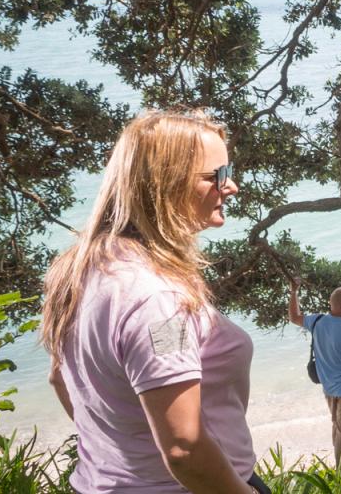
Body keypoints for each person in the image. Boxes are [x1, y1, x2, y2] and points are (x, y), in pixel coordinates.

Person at [41, 108, 268, 493]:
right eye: (218, 176)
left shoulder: (83, 269)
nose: (231, 188)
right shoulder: (159, 301)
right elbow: (184, 448)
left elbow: (60, 378)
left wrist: (125, 451)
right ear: (167, 182)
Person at [288, 285, 341, 469]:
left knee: (337, 427)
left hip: (329, 386)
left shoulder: (317, 321)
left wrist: (293, 292)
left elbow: (294, 317)